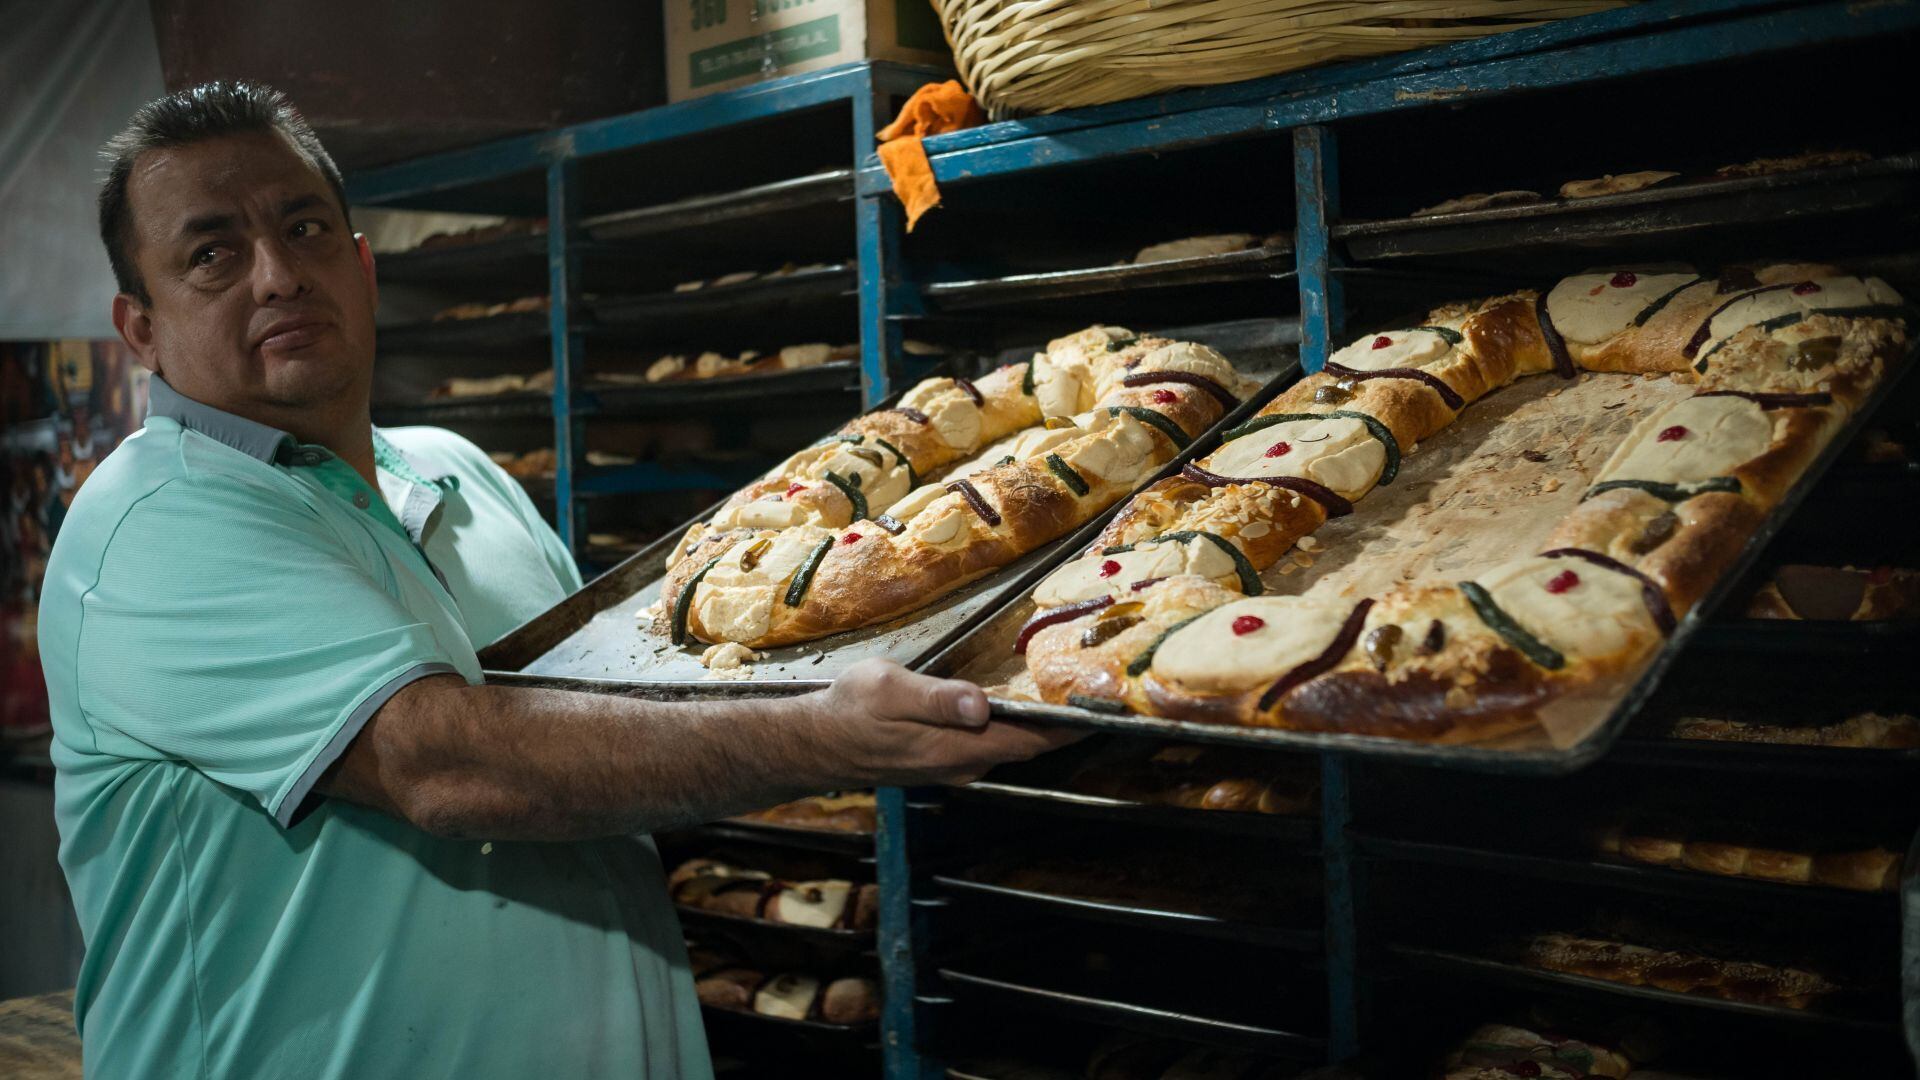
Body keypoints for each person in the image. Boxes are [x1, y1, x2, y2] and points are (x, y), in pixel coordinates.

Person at [38, 82, 1075, 1079]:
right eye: (212, 254)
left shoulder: (459, 473)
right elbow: (446, 769)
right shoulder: (153, 522)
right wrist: (820, 731)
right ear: (142, 329)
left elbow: (626, 716)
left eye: (304, 228)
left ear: (363, 264)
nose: (276, 274)